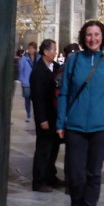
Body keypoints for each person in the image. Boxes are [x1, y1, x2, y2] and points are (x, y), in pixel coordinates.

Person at [56, 19, 104, 206]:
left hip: (100, 126)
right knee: (75, 173)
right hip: (75, 125)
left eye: (97, 35)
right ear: (83, 38)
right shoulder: (74, 60)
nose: (93, 39)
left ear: (102, 37)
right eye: (89, 35)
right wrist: (60, 122)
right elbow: (64, 92)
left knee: (93, 173)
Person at [30, 38, 65, 193]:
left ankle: (51, 177)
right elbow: (37, 98)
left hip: (54, 116)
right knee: (43, 150)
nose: (55, 53)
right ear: (45, 51)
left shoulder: (54, 67)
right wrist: (42, 119)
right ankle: (39, 181)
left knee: (54, 148)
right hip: (45, 117)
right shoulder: (38, 71)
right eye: (53, 50)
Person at [17, 41, 37, 121]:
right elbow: (21, 70)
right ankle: (28, 113)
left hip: (36, 82)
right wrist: (22, 79)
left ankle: (35, 114)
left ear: (35, 49)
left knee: (35, 100)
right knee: (27, 99)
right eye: (29, 48)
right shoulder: (24, 59)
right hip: (26, 82)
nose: (30, 50)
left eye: (32, 48)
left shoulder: (38, 58)